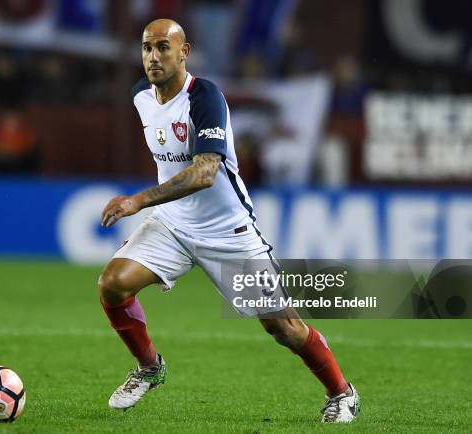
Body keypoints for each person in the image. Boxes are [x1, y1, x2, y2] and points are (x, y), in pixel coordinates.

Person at [98, 19, 360, 423]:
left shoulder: (204, 97)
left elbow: (205, 173)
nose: (153, 56)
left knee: (284, 328)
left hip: (229, 234)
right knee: (112, 284)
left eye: (163, 47)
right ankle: (149, 368)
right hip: (172, 226)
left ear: (184, 52)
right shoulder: (140, 97)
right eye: (147, 48)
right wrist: (152, 206)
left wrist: (138, 200)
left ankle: (341, 393)